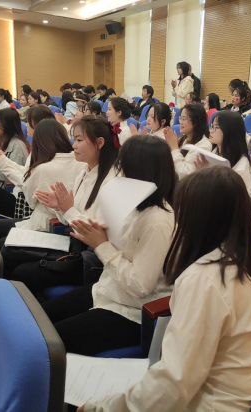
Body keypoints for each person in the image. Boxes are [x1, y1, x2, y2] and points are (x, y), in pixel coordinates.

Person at [79, 167, 251, 412]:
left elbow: (173, 386)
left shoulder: (204, 280)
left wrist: (101, 408)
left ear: (199, 220)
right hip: (244, 391)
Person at [41, 135, 176, 356]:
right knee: (39, 317)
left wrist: (102, 246)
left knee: (47, 343)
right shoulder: (135, 205)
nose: (119, 174)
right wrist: (68, 211)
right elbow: (100, 231)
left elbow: (140, 286)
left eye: (123, 168)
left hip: (132, 312)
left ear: (139, 172)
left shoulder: (158, 221)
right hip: (108, 291)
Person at [2, 116, 120, 293]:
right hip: (73, 242)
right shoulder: (84, 172)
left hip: (89, 257)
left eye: (79, 140)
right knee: (10, 251)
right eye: (74, 140)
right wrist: (60, 207)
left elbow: (95, 232)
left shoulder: (111, 181)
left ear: (100, 143)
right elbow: (70, 218)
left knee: (22, 270)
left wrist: (68, 209)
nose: (74, 146)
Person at [195, 111, 251, 191]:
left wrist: (208, 174)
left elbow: (231, 194)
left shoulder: (241, 165)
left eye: (216, 127)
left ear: (229, 130)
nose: (211, 131)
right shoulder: (215, 152)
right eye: (211, 126)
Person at [163, 103, 212, 179]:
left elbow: (184, 173)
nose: (180, 122)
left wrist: (174, 147)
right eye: (180, 118)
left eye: (184, 119)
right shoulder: (183, 138)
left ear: (195, 122)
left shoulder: (204, 145)